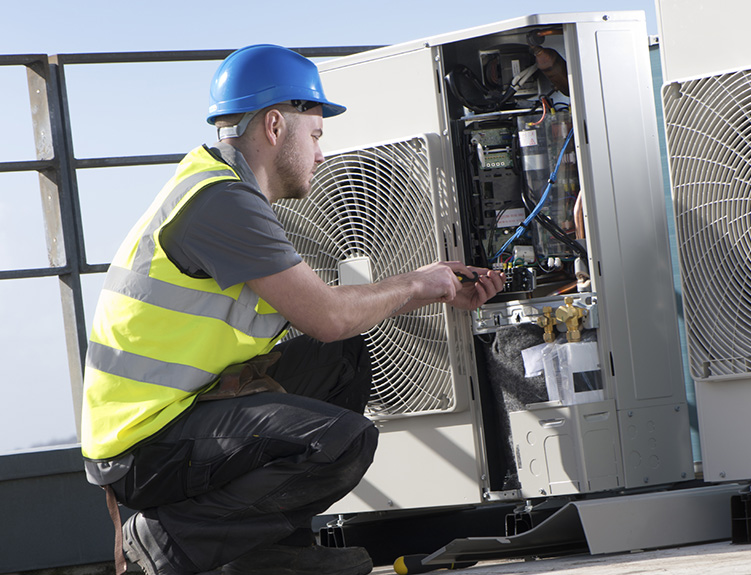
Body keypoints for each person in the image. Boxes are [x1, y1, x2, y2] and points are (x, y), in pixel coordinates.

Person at [80, 44, 505, 575]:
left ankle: (263, 555)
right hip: (143, 447)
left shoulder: (226, 192)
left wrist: (433, 288)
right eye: (317, 135)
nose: (322, 154)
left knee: (342, 358)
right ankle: (164, 543)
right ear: (276, 126)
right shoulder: (221, 203)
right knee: (343, 442)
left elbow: (327, 321)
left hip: (183, 414)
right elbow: (326, 314)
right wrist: (419, 282)